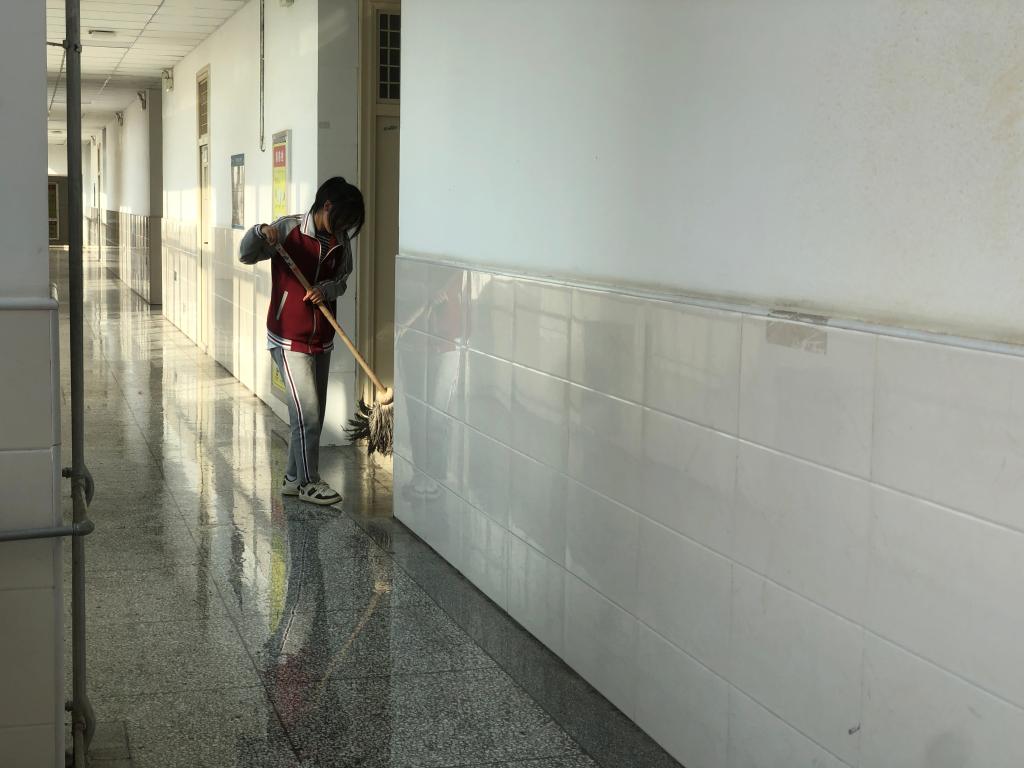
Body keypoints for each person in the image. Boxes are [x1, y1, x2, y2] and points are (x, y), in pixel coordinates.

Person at [239, 177, 365, 505]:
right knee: (306, 414)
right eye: (343, 220)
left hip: (322, 335)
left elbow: (342, 279)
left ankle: (294, 478)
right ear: (327, 206)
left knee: (313, 415)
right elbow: (245, 255)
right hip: (288, 337)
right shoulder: (288, 229)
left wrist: (326, 289)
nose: (345, 229)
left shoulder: (340, 240)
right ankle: (310, 483)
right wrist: (259, 232)